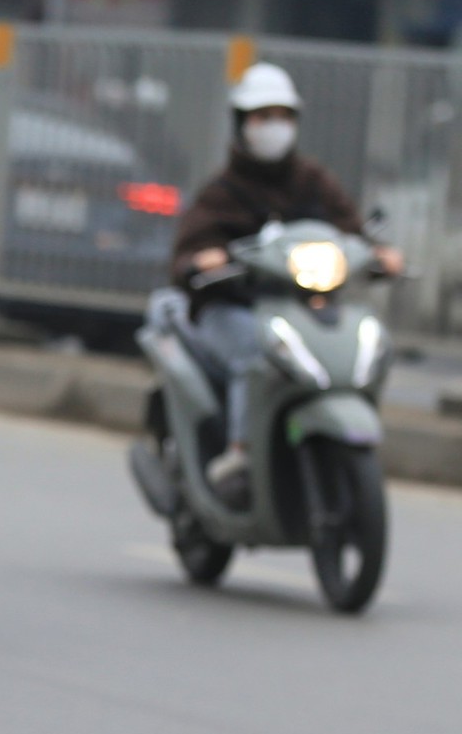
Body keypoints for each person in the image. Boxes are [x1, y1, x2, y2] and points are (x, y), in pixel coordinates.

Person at [170, 63, 402, 505]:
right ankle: (241, 454)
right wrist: (205, 258)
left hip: (298, 307)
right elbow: (188, 252)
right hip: (234, 308)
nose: (274, 127)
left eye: (283, 116)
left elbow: (350, 228)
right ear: (242, 124)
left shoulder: (312, 181)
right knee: (255, 357)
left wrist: (377, 253)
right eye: (262, 117)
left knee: (365, 343)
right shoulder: (223, 190)